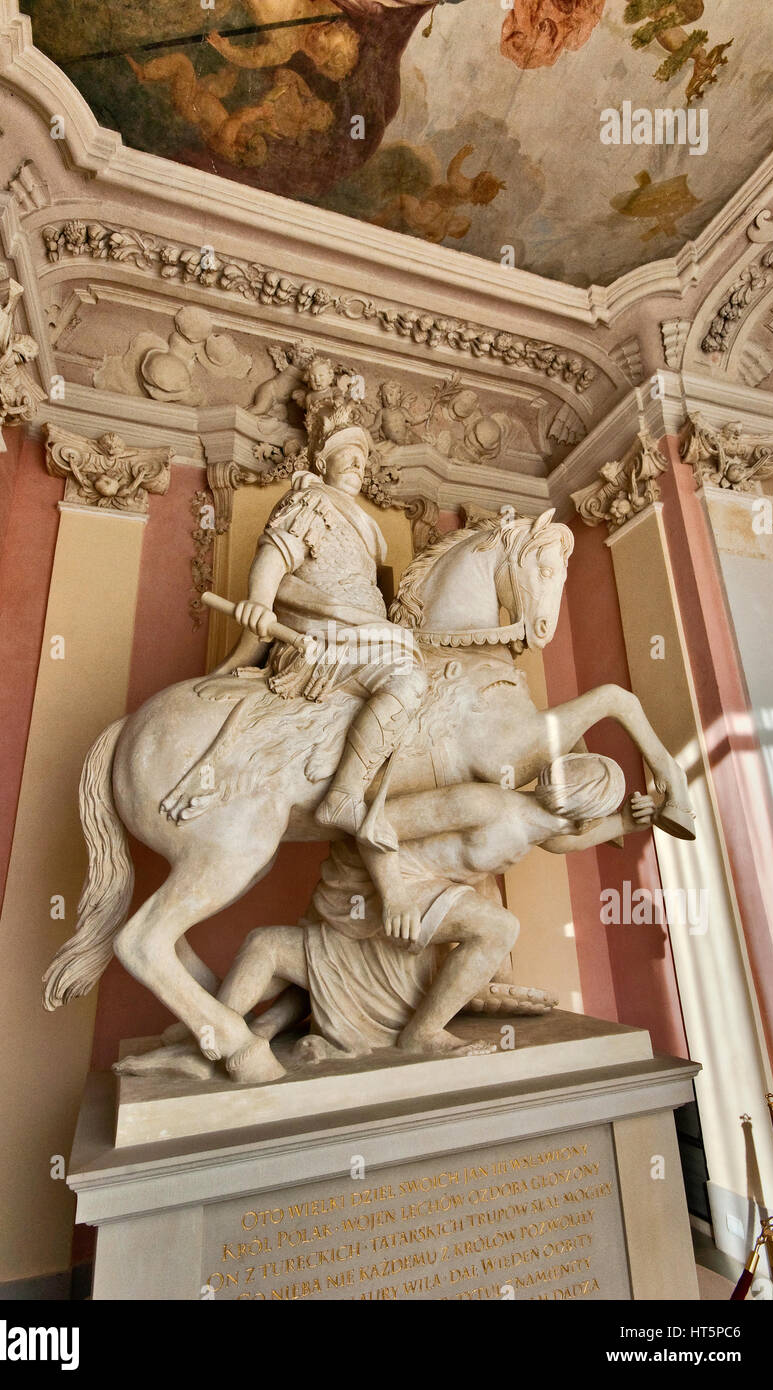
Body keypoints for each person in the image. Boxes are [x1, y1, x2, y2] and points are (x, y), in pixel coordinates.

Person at [217, 753, 658, 1059]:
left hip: (428, 891)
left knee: (494, 928)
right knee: (498, 928)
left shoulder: (538, 825)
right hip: (380, 884)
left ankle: (416, 1029)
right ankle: (423, 1034)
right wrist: (395, 896)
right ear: (584, 811)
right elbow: (375, 825)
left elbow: (564, 840)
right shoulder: (483, 804)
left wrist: (627, 822)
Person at [196, 411, 427, 847]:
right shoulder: (312, 503)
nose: (358, 469)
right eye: (349, 459)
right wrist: (260, 604)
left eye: (363, 462)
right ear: (323, 464)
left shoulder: (363, 528)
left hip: (365, 635)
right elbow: (275, 557)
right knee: (408, 679)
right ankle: (343, 797)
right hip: (321, 640)